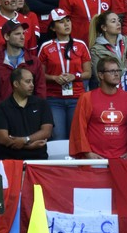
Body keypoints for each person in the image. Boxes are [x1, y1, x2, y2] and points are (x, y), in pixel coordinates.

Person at [39, 8, 92, 140]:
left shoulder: (81, 45)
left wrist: (75, 76)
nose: (67, 24)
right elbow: (39, 75)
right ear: (52, 28)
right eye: (61, 22)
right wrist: (54, 78)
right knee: (58, 137)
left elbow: (88, 73)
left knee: (76, 137)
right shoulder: (45, 47)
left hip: (76, 98)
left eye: (68, 20)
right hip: (54, 99)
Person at [69, 56, 127, 159]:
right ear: (100, 75)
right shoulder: (87, 98)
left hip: (123, 159)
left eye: (118, 70)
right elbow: (79, 129)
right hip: (95, 160)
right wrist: (88, 154)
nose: (117, 74)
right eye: (112, 71)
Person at [0, 19, 45, 127]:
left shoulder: (34, 61)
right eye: (17, 34)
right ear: (6, 37)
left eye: (23, 33)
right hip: (4, 117)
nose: (22, 37)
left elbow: (40, 91)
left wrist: (40, 117)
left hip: (30, 115)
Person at [0, 67, 53, 160]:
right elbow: (2, 139)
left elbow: (46, 132)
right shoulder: (2, 107)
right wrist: (28, 146)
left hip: (38, 159)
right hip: (11, 160)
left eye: (32, 81)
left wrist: (25, 140)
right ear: (16, 84)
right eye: (28, 82)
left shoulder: (42, 104)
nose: (32, 85)